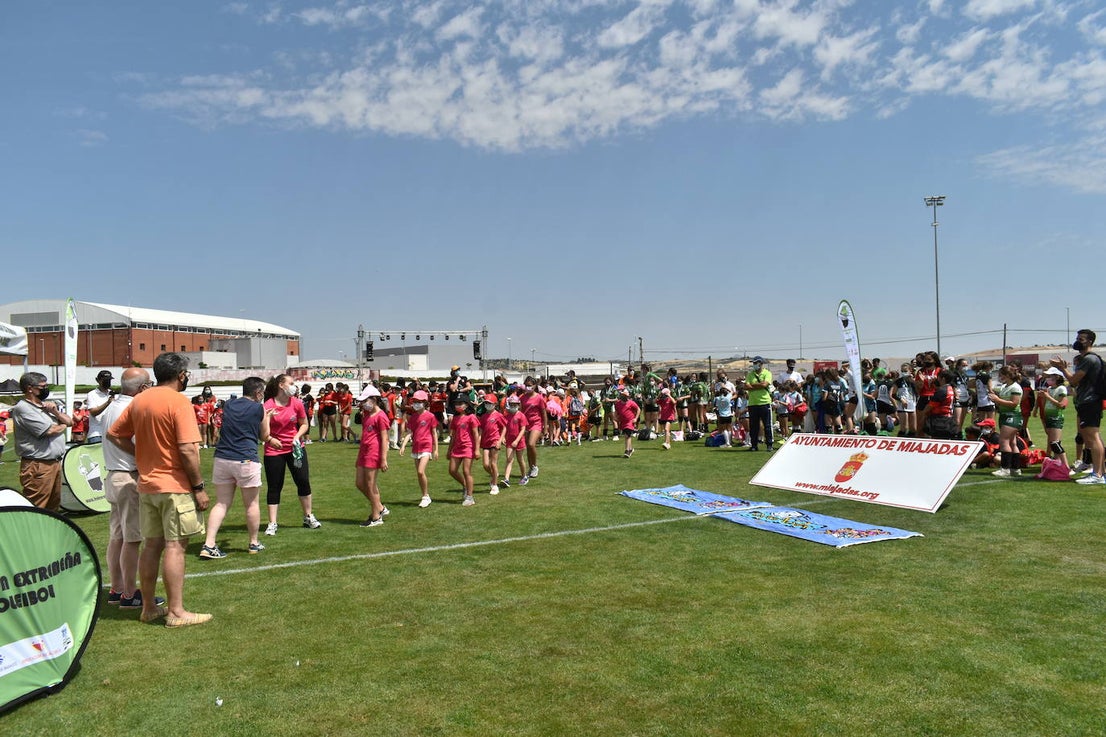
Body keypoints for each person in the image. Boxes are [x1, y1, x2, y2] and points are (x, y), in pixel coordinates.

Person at [106, 352, 211, 627]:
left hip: (148, 485)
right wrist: (199, 486)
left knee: (151, 546)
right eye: (186, 373)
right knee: (176, 546)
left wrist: (140, 454)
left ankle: (149, 607)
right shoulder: (179, 402)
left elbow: (114, 434)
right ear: (180, 375)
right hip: (174, 485)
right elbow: (188, 448)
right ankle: (176, 611)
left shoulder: (140, 399)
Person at [100, 367, 160, 608]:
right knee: (132, 538)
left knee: (117, 536)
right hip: (127, 476)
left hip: (114, 474)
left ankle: (117, 588)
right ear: (143, 388)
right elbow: (132, 441)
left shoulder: (111, 406)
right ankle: (128, 592)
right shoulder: (131, 409)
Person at [199, 377, 271, 558]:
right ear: (258, 393)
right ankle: (254, 543)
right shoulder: (258, 408)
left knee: (222, 503)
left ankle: (209, 544)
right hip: (245, 458)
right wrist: (267, 417)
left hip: (223, 457)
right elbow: (264, 435)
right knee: (251, 504)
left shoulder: (230, 404)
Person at [263, 374, 321, 534]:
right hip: (274, 450)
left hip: (296, 448)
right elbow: (262, 432)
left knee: (303, 481)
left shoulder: (297, 403)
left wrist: (297, 437)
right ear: (281, 385)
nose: (294, 386)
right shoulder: (268, 405)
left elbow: (304, 424)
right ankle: (272, 523)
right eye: (291, 383)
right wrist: (269, 435)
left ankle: (308, 516)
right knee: (275, 486)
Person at [1051, 329, 1105, 484]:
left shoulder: (1089, 359)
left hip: (1090, 402)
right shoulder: (1086, 359)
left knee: (1092, 438)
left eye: (1081, 339)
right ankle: (1100, 472)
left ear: (1089, 341)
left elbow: (1074, 381)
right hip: (1088, 402)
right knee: (1093, 438)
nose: (1077, 341)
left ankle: (1097, 475)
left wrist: (1062, 368)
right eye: (1077, 338)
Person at [11, 372, 73, 510]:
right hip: (38, 465)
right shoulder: (24, 408)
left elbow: (70, 421)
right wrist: (63, 425)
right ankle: (30, 531)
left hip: (53, 462)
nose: (45, 389)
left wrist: (55, 412)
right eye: (42, 387)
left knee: (53, 504)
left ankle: (48, 531)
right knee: (37, 505)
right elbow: (49, 431)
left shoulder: (44, 406)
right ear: (30, 388)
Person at [354, 385, 390, 527]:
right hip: (364, 451)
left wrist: (383, 458)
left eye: (365, 401)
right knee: (360, 483)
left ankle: (376, 516)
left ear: (374, 400)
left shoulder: (381, 416)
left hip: (373, 452)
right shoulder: (367, 415)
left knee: (370, 485)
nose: (363, 404)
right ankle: (380, 507)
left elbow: (384, 439)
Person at [988, 364, 1024, 477]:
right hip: (1005, 415)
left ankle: (1005, 468)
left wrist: (997, 400)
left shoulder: (1015, 387)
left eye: (1001, 375)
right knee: (1012, 442)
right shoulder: (1005, 387)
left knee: (1003, 441)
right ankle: (1015, 469)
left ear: (1008, 375)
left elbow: (1014, 403)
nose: (1000, 377)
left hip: (1012, 416)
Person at [406, 390, 439, 508]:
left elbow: (434, 433)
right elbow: (410, 433)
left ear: (425, 402)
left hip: (426, 447)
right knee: (419, 474)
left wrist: (436, 449)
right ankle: (425, 495)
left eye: (419, 402)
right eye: (415, 401)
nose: (416, 404)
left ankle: (425, 496)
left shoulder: (430, 416)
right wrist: (403, 445)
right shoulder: (413, 417)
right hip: (416, 448)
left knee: (420, 471)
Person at [448, 396, 481, 506]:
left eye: (460, 403)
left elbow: (476, 434)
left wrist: (476, 450)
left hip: (468, 447)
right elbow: (453, 436)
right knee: (452, 470)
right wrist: (449, 450)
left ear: (466, 405)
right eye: (456, 403)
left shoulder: (471, 417)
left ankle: (470, 497)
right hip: (457, 448)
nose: (457, 405)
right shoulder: (455, 419)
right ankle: (466, 486)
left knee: (466, 471)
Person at [1037, 367, 1071, 471]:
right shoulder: (1049, 389)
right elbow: (1046, 404)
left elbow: (1061, 405)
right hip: (1049, 417)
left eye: (1050, 377)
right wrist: (1043, 398)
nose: (1047, 379)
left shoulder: (1061, 389)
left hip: (1056, 418)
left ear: (1057, 377)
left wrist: (1047, 397)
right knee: (1052, 441)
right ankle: (1057, 463)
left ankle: (1066, 466)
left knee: (1055, 443)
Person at [479, 393, 507, 494]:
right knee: (486, 464)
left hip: (495, 441)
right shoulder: (483, 416)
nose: (487, 405)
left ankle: (494, 485)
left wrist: (500, 439)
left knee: (493, 463)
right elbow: (481, 430)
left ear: (495, 404)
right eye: (486, 403)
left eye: (489, 403)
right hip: (485, 442)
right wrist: (478, 442)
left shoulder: (498, 415)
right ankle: (495, 475)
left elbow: (504, 427)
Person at [746, 356, 774, 452]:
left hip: (765, 402)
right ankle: (754, 445)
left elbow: (765, 385)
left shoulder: (767, 373)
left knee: (767, 425)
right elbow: (747, 386)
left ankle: (769, 445)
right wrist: (758, 385)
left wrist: (753, 385)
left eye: (755, 363)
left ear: (761, 363)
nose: (754, 365)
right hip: (753, 403)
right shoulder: (750, 374)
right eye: (753, 363)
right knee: (753, 426)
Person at [502, 394, 530, 485]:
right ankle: (506, 479)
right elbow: (505, 427)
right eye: (511, 405)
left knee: (520, 459)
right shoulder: (507, 416)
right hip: (510, 441)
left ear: (518, 405)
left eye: (515, 405)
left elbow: (523, 429)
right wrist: (502, 437)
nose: (513, 407)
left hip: (519, 441)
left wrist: (517, 440)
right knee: (509, 459)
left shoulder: (521, 416)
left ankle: (524, 476)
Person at [85, 369, 115, 442]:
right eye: (105, 380)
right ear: (97, 380)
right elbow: (93, 412)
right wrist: (108, 403)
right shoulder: (92, 394)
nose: (107, 382)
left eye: (109, 380)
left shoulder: (113, 393)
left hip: (111, 432)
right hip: (97, 433)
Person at [614, 388, 640, 458]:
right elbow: (616, 411)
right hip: (623, 422)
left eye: (626, 396)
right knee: (626, 435)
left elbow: (638, 409)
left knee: (627, 435)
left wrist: (636, 418)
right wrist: (615, 417)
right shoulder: (618, 404)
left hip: (630, 421)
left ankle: (627, 451)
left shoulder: (631, 402)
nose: (625, 397)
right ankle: (630, 449)